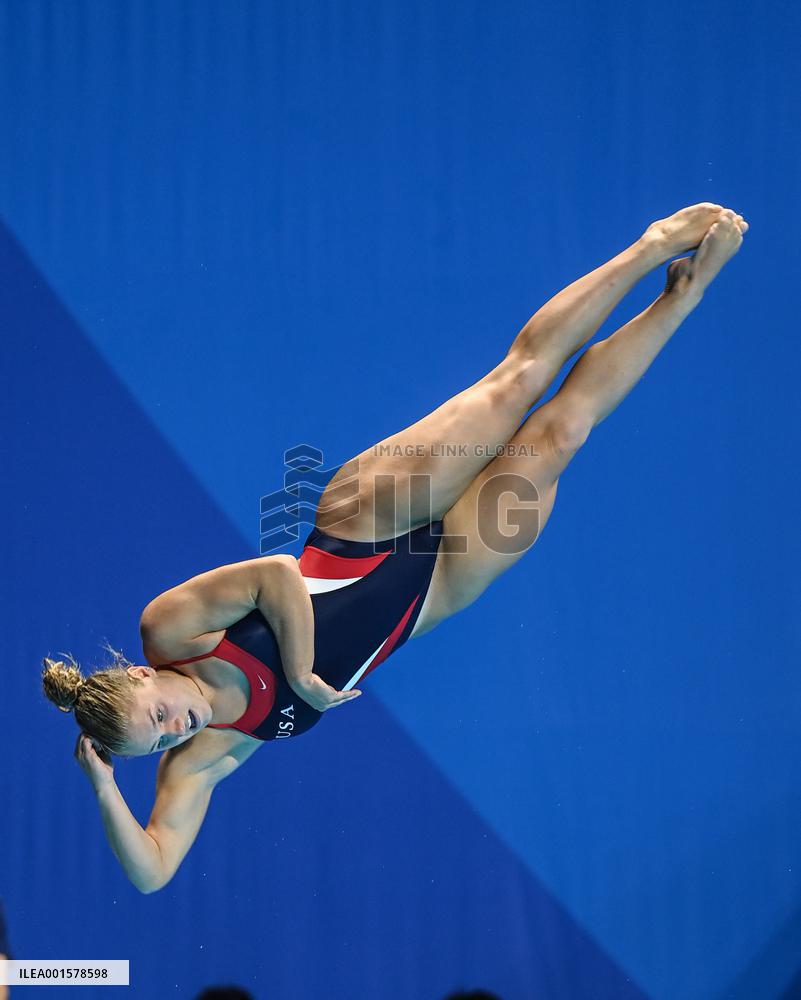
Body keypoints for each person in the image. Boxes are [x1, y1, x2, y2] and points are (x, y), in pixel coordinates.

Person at [42, 205, 748, 893]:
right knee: (560, 433)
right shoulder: (204, 756)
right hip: (433, 591)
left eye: (157, 717)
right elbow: (155, 870)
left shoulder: (166, 630)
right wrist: (104, 787)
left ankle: (651, 245)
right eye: (161, 742)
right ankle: (683, 296)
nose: (176, 728)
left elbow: (276, 575)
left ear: (139, 675)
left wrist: (301, 672)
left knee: (519, 379)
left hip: (363, 524)